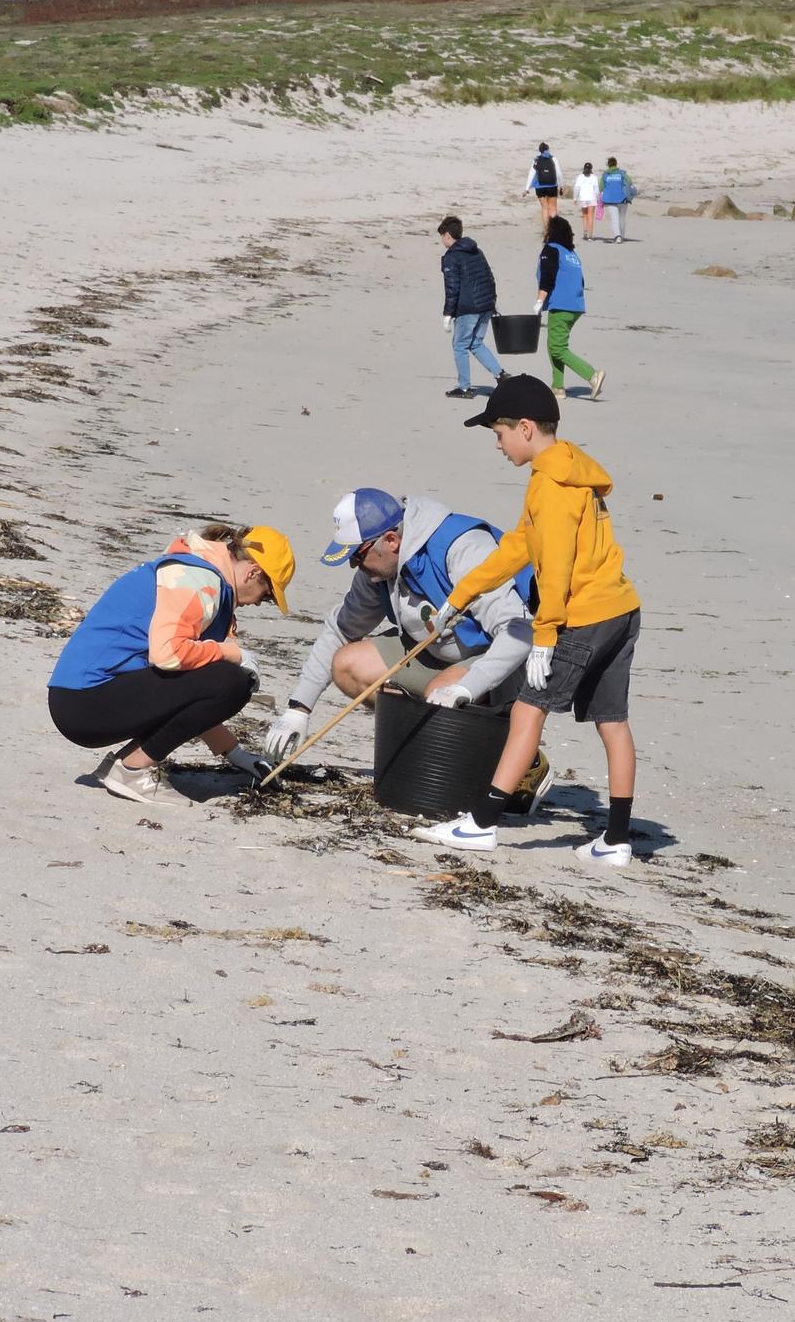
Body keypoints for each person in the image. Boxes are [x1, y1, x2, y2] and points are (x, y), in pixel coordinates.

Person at [413, 375, 642, 866]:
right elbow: (519, 546)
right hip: (620, 609)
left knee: (527, 710)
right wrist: (461, 595)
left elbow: (555, 565)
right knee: (612, 721)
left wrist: (544, 637)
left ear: (525, 427)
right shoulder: (568, 469)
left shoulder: (551, 485)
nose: (498, 445)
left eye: (499, 434)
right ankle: (617, 840)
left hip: (582, 616)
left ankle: (480, 824)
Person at [262, 488, 553, 807]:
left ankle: (523, 759)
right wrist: (298, 709)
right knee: (348, 664)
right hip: (436, 653)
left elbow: (519, 633)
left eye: (358, 556)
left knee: (442, 695)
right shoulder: (379, 570)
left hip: (504, 662)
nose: (355, 567)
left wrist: (467, 687)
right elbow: (340, 629)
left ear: (391, 540)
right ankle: (438, 742)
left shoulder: (462, 549)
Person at [48, 524, 295, 808]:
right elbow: (168, 656)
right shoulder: (198, 578)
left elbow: (191, 693)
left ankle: (122, 765)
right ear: (253, 572)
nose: (261, 603)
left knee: (221, 676)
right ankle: (131, 771)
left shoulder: (201, 572)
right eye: (268, 594)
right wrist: (232, 653)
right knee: (232, 681)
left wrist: (236, 755)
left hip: (80, 698)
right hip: (83, 702)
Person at [535, 215, 604, 400]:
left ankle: (592, 375)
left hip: (562, 305)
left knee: (557, 347)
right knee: (554, 345)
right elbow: (581, 280)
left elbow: (547, 278)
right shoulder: (572, 254)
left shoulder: (551, 250)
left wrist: (539, 301)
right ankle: (558, 387)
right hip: (576, 305)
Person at [439, 215, 503, 400]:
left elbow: (452, 287)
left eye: (442, 236)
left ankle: (464, 387)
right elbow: (490, 277)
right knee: (475, 343)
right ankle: (500, 374)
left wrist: (448, 313)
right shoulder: (476, 250)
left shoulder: (451, 257)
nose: (442, 240)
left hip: (469, 307)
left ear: (448, 235)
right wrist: (492, 302)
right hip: (486, 305)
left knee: (459, 345)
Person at [599, 156, 632, 243]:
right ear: (616, 164)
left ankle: (618, 237)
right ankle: (622, 236)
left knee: (614, 219)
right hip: (622, 199)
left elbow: (601, 187)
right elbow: (629, 182)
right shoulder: (622, 173)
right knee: (622, 218)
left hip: (610, 200)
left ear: (608, 165)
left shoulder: (605, 175)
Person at [524, 143, 559, 223]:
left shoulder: (536, 160)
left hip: (540, 187)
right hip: (552, 186)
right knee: (553, 208)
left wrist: (527, 188)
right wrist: (561, 185)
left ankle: (546, 230)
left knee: (544, 208)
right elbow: (559, 173)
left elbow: (531, 173)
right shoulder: (553, 159)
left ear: (539, 150)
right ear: (548, 149)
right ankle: (554, 230)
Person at [572, 162, 601, 241]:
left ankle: (585, 232)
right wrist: (598, 198)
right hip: (592, 198)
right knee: (590, 216)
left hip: (583, 198)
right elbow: (596, 189)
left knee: (585, 215)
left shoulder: (580, 177)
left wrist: (575, 198)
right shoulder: (594, 177)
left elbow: (577, 188)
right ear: (591, 169)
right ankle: (590, 235)